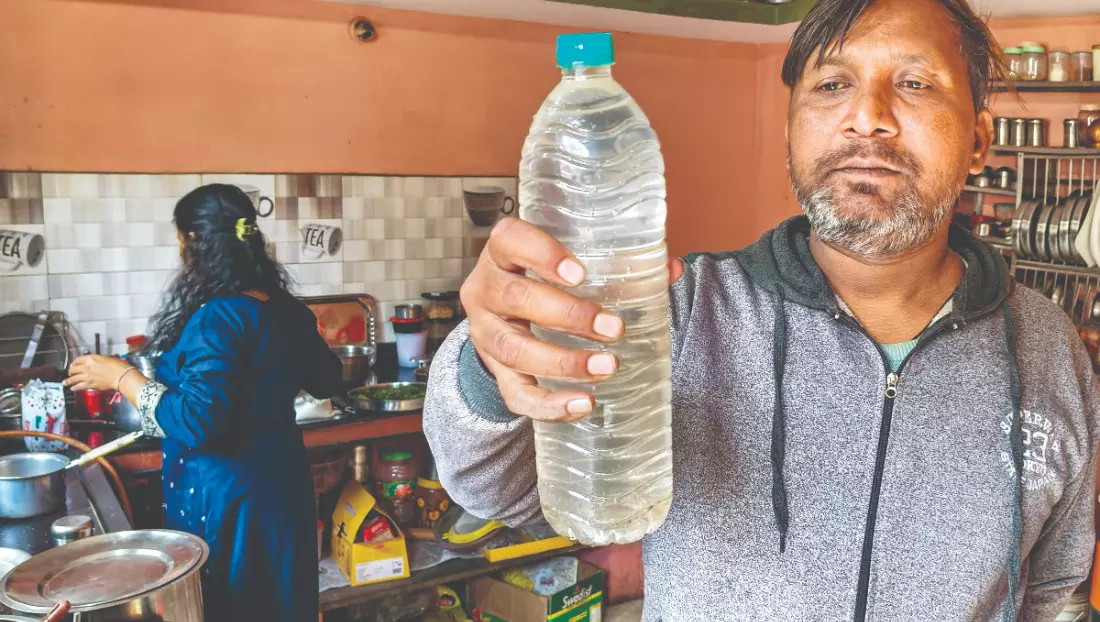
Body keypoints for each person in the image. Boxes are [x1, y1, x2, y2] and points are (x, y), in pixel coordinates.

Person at [423, 0, 1100, 619]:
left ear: (979, 139)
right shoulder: (679, 313)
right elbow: (498, 491)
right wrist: (491, 359)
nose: (866, 116)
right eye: (831, 85)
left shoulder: (1045, 347)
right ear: (791, 131)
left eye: (915, 83)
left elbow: (1053, 585)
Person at [65, 184, 341, 621]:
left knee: (235, 607)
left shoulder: (219, 316)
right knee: (282, 603)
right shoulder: (284, 308)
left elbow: (197, 421)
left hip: (228, 501)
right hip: (282, 489)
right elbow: (328, 380)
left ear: (193, 241)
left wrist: (122, 376)